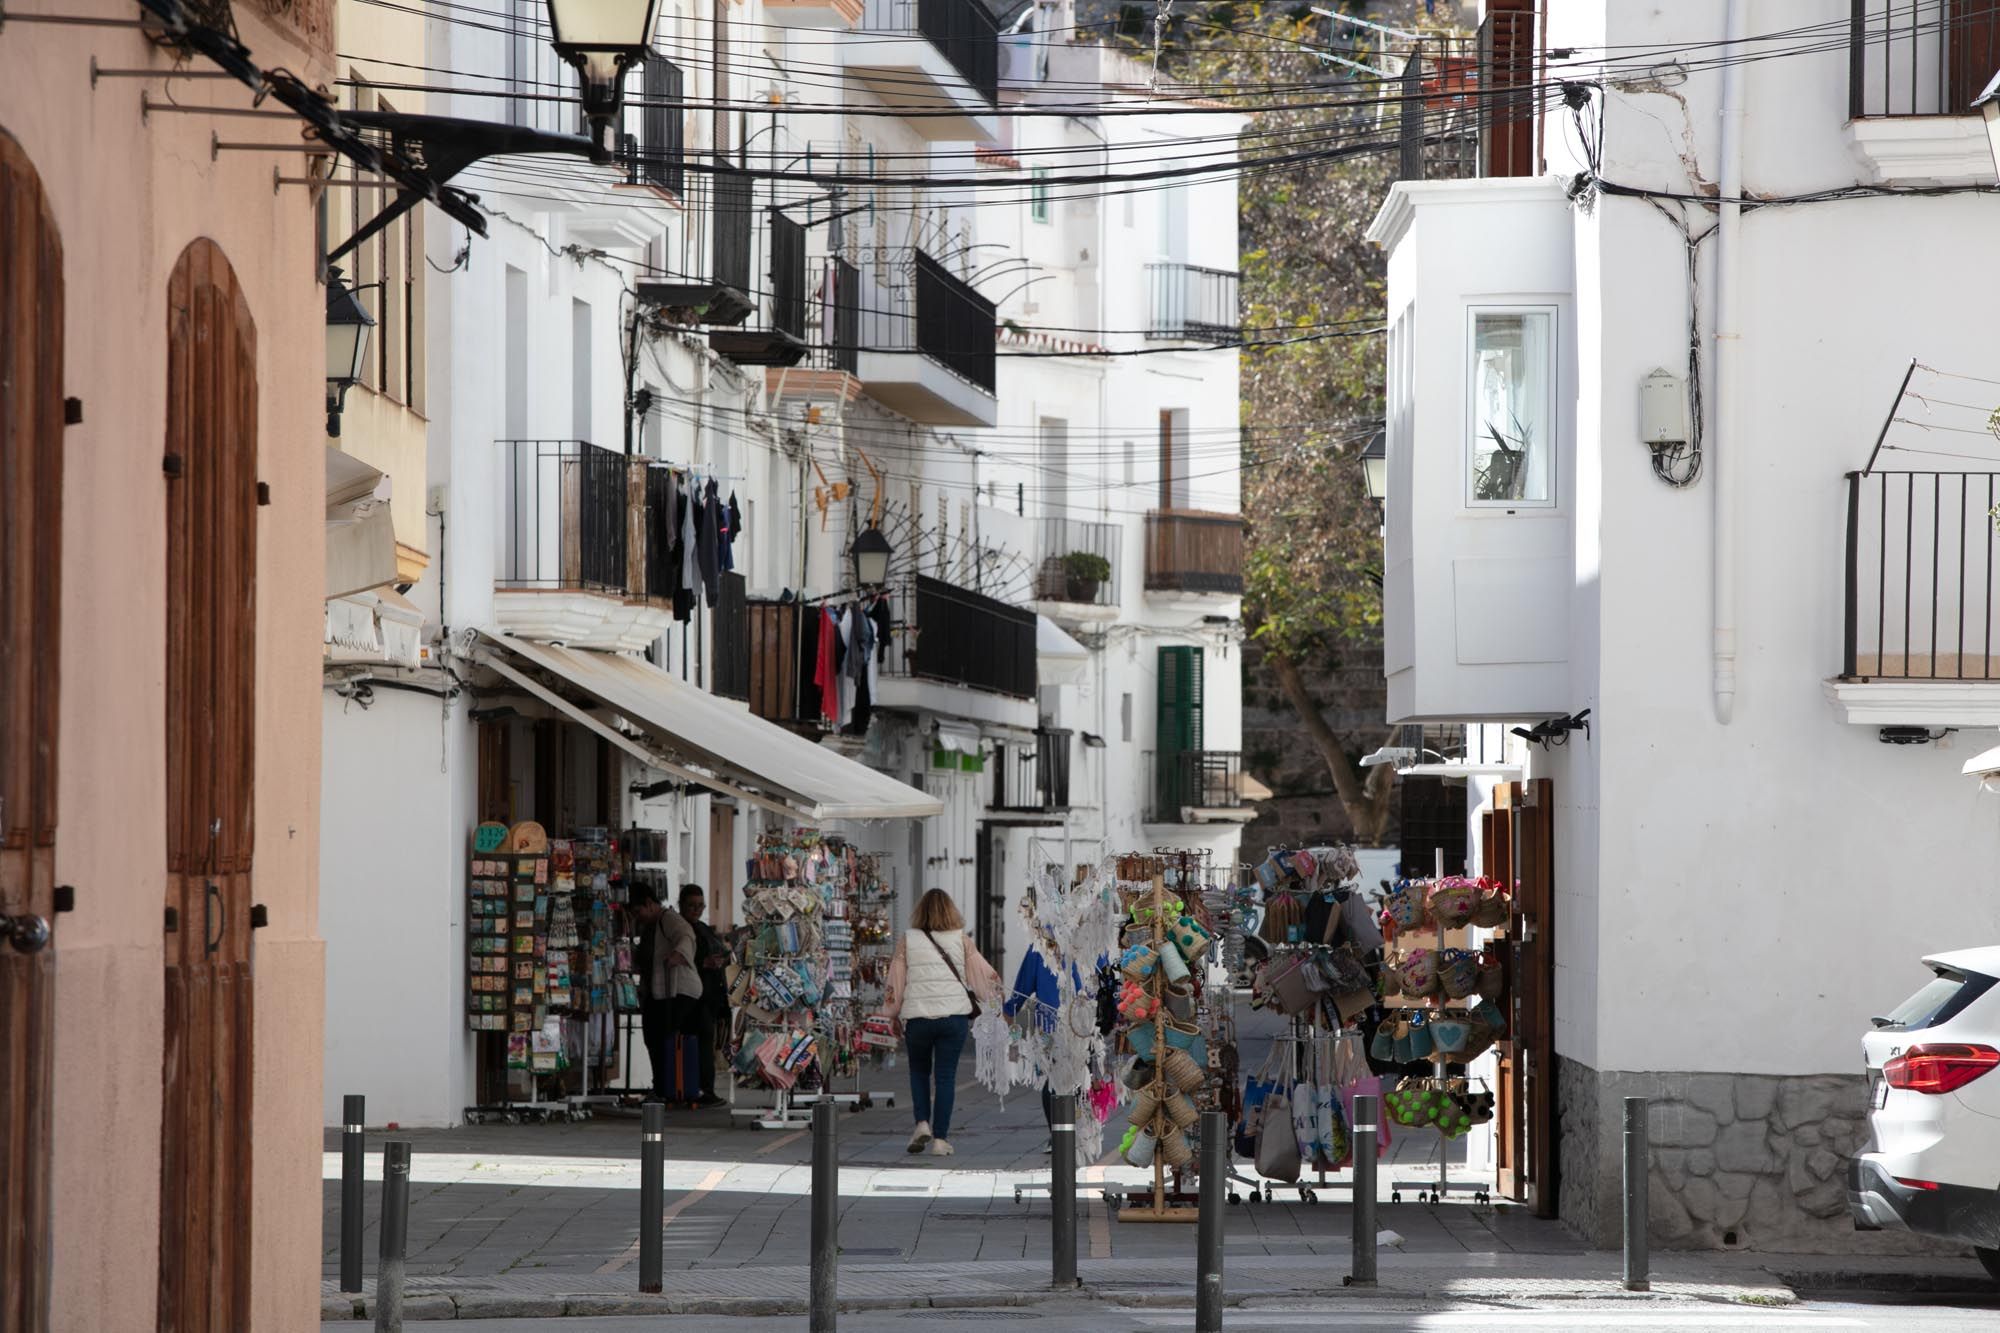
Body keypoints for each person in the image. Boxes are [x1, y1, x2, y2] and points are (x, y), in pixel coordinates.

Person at [884, 888, 1001, 1157]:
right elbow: (982, 976)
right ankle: (940, 1139)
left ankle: (921, 1123)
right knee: (946, 1077)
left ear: (920, 912)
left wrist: (892, 1012)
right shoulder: (962, 940)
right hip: (953, 1018)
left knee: (919, 1072)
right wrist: (998, 1000)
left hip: (918, 1019)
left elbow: (896, 980)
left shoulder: (908, 940)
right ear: (951, 911)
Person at [632, 889, 703, 1103]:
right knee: (654, 1036)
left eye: (638, 911)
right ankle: (665, 1087)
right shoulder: (651, 925)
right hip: (661, 991)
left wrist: (678, 955)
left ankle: (667, 1088)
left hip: (679, 989)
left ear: (650, 903)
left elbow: (685, 935)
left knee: (662, 1036)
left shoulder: (669, 918)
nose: (638, 917)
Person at [678, 882, 730, 1107]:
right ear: (682, 905)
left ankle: (704, 1088)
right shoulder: (680, 930)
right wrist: (704, 963)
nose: (696, 910)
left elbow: (719, 950)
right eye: (692, 905)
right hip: (691, 998)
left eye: (700, 905)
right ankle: (699, 1088)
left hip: (708, 996)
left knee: (707, 1043)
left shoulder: (703, 929)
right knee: (699, 1043)